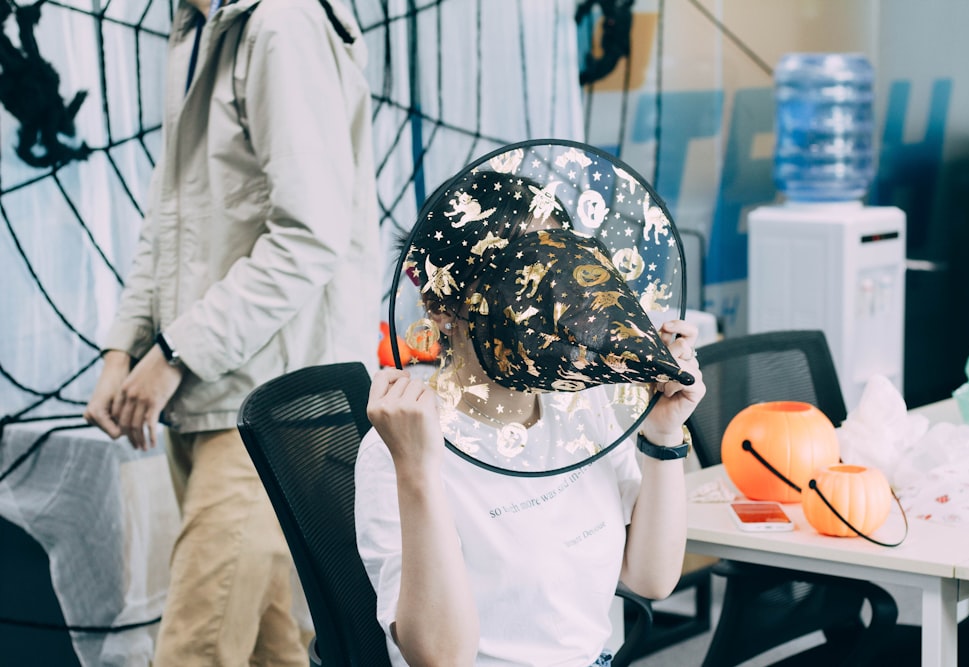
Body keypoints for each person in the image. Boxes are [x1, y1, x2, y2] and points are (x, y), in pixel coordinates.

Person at [82, 0, 380, 664]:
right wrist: (121, 350)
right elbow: (167, 219)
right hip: (206, 392)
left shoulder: (281, 24)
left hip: (272, 396)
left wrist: (174, 352)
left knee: (193, 647)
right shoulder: (195, 26)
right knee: (270, 652)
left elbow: (311, 235)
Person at [355, 156, 706, 667]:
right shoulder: (401, 446)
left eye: (555, 271)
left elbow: (650, 578)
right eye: (520, 277)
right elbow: (441, 659)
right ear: (443, 306)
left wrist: (662, 435)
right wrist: (417, 472)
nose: (549, 301)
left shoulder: (579, 400)